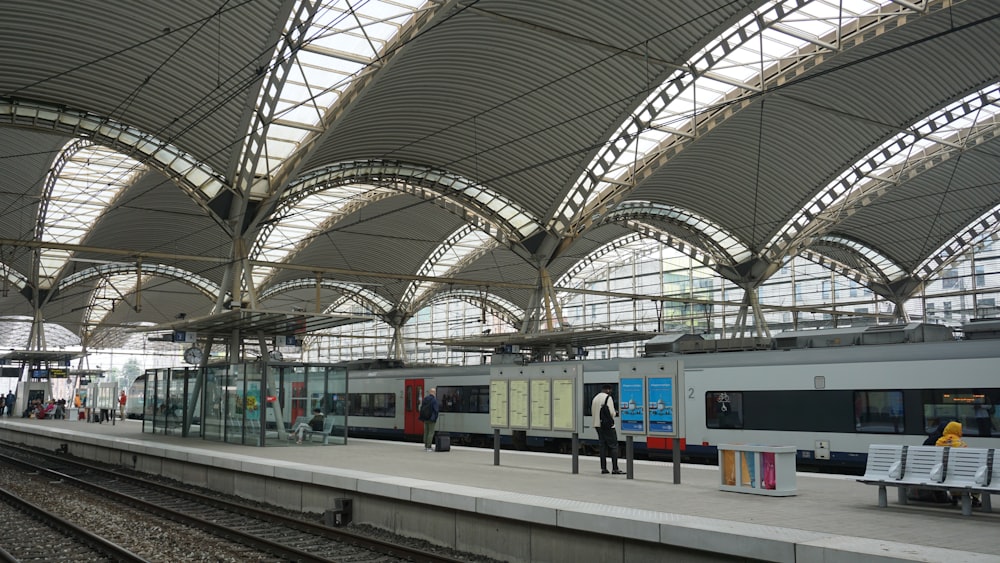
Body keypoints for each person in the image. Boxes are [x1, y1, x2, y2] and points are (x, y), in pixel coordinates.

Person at [591, 384, 623, 475]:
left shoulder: (595, 398)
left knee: (602, 447)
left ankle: (603, 468)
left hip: (598, 425)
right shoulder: (608, 398)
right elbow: (612, 413)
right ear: (608, 390)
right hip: (608, 426)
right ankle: (615, 468)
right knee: (613, 446)